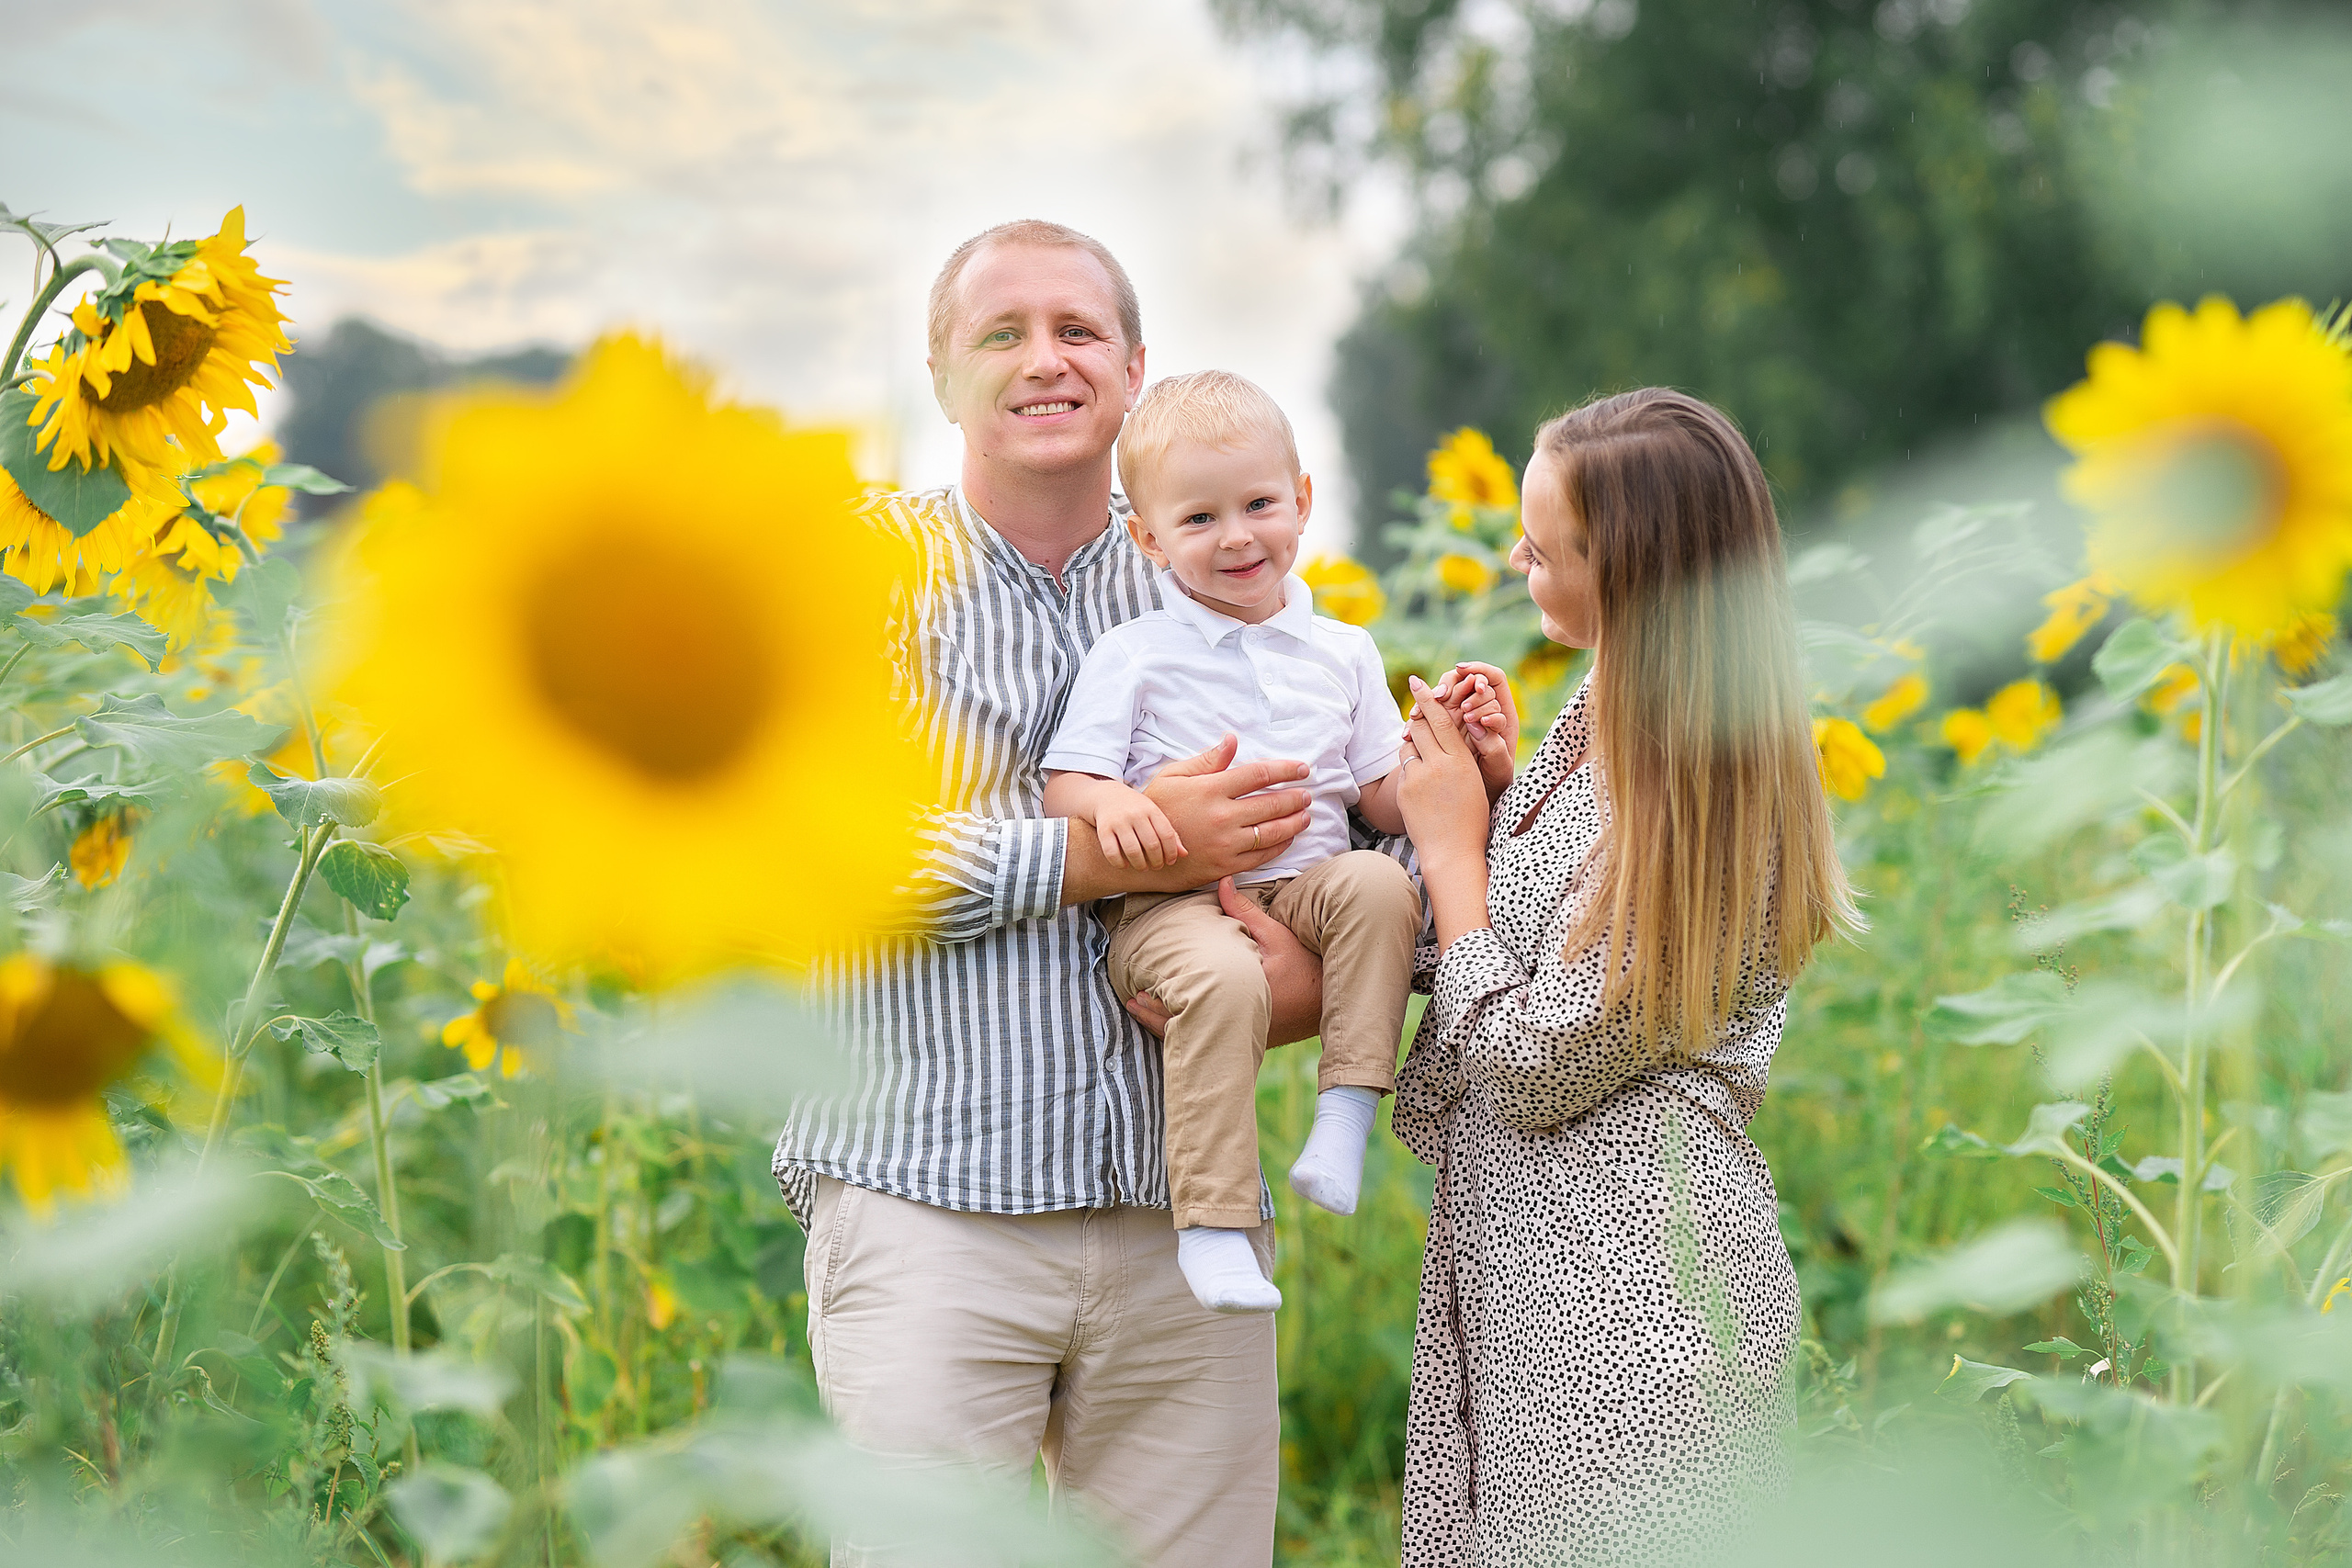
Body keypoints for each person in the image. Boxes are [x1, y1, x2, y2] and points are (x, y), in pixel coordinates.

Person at [770, 220, 1329, 1568]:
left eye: (1079, 330)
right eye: (1002, 334)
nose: (1046, 360)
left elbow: (1325, 841)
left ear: (1136, 366)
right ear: (941, 375)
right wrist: (1117, 850)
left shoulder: (1228, 580)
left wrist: (1308, 975)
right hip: (929, 1205)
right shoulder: (862, 571)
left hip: (1181, 1218)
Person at [1389, 389, 1860, 1566]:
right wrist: (1501, 805)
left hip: (1633, 1321)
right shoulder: (1606, 709)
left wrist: (1451, 851)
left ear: (1634, 573)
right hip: (1540, 1302)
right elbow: (1536, 948)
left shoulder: (1709, 779)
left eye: (1542, 550)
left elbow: (1534, 1057)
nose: (1516, 562)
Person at [1041, 370, 1500, 1315]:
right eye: (1199, 519)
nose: (1237, 536)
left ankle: (1344, 1117)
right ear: (1149, 538)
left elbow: (1378, 794)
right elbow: (1063, 787)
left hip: (1307, 887)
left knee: (1379, 884)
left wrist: (1454, 754)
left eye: (1257, 505)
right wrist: (1111, 807)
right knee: (1222, 979)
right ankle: (1210, 1227)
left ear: (1300, 501)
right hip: (1170, 908)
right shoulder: (1132, 654)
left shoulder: (1345, 652)